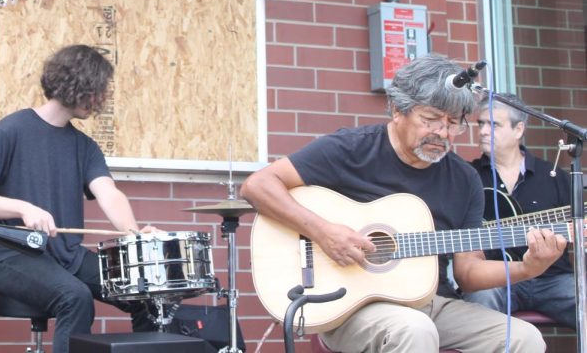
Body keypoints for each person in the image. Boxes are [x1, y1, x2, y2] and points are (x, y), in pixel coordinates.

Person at [240, 54, 567, 352]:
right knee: (414, 330)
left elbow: (467, 272)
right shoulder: (351, 149)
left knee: (524, 338)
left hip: (429, 302)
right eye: (431, 119)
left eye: (454, 123)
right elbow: (258, 185)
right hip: (350, 308)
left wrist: (528, 268)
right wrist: (325, 232)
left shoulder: (464, 178)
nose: (443, 132)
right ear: (398, 110)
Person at [0, 44, 155, 353]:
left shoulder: (84, 146)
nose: (101, 100)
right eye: (98, 91)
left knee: (145, 294)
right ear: (78, 86)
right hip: (10, 256)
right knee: (75, 297)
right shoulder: (11, 130)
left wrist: (134, 236)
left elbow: (109, 193)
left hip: (66, 254)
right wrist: (23, 208)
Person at [463, 93, 575, 329]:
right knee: (478, 303)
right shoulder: (467, 177)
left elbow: (577, 225)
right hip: (496, 279)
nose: (483, 131)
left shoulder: (553, 177)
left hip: (552, 278)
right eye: (480, 123)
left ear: (518, 129)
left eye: (493, 124)